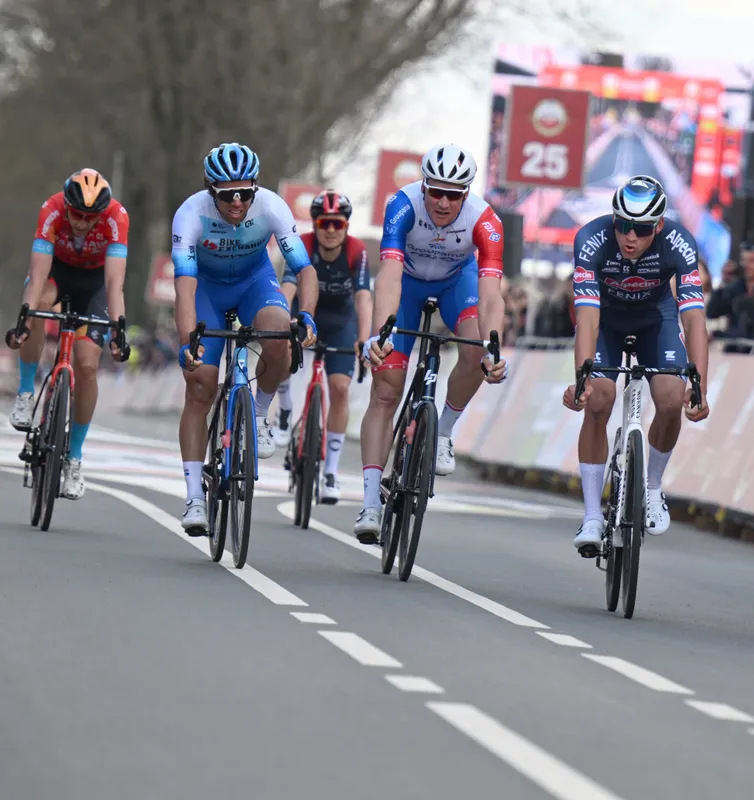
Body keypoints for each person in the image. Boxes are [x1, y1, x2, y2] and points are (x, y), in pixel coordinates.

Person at [356, 143, 508, 544]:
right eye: (435, 191)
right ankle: (370, 502)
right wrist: (381, 332)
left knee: (474, 350)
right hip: (405, 285)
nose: (442, 202)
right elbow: (388, 275)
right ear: (423, 186)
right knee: (385, 390)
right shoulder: (402, 205)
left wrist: (495, 347)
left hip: (457, 282)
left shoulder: (486, 221)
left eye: (453, 194)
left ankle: (443, 432)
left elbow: (492, 295)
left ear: (467, 193)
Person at [172, 142, 318, 535]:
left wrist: (307, 316)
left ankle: (258, 412)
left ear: (255, 189)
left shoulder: (271, 206)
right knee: (200, 386)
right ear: (210, 191)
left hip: (255, 283)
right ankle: (193, 497)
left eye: (245, 193)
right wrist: (190, 343)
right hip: (206, 290)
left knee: (279, 334)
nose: (237, 202)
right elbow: (184, 290)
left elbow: (303, 268)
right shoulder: (190, 214)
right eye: (226, 194)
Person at [561, 174, 711, 553]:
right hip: (606, 322)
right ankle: (593, 515)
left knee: (672, 395)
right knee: (597, 401)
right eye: (623, 225)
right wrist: (582, 381)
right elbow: (587, 318)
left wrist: (700, 385)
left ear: (658, 226)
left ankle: (653, 487)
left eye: (641, 229)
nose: (630, 237)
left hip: (654, 320)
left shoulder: (679, 242)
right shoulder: (591, 240)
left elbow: (693, 318)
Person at [6, 168, 132, 500]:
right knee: (36, 309)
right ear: (67, 205)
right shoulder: (52, 208)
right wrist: (24, 319)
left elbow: (115, 283)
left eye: (90, 216)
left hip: (94, 286)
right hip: (56, 274)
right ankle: (25, 393)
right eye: (76, 213)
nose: (80, 221)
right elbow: (37, 272)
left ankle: (74, 458)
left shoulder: (117, 217)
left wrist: (119, 328)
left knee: (88, 364)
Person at [276, 189, 372, 503]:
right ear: (315, 224)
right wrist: (279, 319)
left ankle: (330, 470)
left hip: (340, 320)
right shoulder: (301, 245)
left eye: (337, 224)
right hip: (306, 311)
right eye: (324, 223)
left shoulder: (357, 250)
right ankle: (285, 409)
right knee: (281, 351)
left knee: (340, 388)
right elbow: (288, 287)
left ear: (346, 225)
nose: (331, 230)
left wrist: (363, 339)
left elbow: (363, 298)